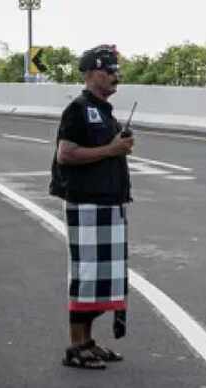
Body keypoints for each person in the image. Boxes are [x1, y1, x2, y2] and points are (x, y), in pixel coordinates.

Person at [50, 44, 134, 370]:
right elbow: (66, 154)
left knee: (102, 279)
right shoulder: (78, 109)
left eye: (115, 71)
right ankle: (75, 345)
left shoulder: (103, 111)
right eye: (108, 70)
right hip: (87, 203)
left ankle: (86, 341)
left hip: (108, 202)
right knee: (87, 277)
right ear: (90, 74)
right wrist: (112, 150)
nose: (115, 76)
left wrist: (118, 146)